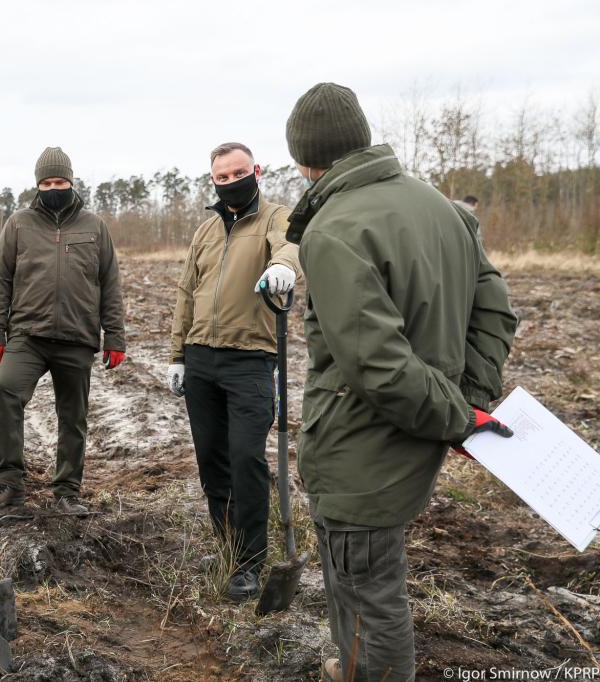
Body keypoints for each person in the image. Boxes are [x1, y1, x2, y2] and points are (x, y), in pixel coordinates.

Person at [283, 82, 518, 681]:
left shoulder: (332, 229)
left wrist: (460, 416)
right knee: (356, 572)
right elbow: (494, 308)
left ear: (304, 158)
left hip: (362, 444)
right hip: (415, 428)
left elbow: (378, 364)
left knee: (366, 585)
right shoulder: (440, 206)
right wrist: (468, 398)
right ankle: (351, 667)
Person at [167, 142, 302, 601]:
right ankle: (227, 547)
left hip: (251, 359)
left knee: (246, 459)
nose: (230, 182)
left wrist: (282, 267)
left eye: (238, 173)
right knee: (212, 461)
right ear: (213, 181)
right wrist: (177, 355)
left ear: (256, 171)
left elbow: (290, 246)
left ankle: (250, 562)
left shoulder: (275, 217)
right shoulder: (205, 231)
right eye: (222, 177)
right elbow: (186, 292)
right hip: (201, 359)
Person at [0, 147, 126, 515]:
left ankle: (67, 491)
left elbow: (110, 282)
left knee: (73, 416)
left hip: (77, 337)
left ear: (71, 182)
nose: (53, 188)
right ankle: (9, 483)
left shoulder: (94, 226)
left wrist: (115, 336)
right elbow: (0, 280)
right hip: (28, 334)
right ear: (37, 185)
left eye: (59, 182)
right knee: (6, 391)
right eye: (46, 183)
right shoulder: (19, 224)